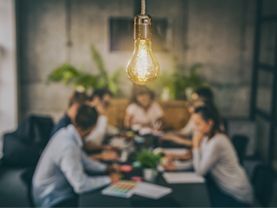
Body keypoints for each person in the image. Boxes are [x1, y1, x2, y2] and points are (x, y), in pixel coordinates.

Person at [32, 105, 120, 207]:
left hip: (54, 192)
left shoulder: (67, 134)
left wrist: (106, 168)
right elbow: (80, 185)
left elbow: (84, 161)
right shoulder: (68, 146)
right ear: (93, 127)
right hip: (52, 199)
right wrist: (109, 179)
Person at [191, 106, 253, 207]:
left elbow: (200, 171)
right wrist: (177, 167)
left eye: (198, 124)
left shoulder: (218, 141)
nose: (195, 128)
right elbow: (201, 161)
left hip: (237, 196)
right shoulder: (207, 138)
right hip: (225, 189)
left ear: (210, 123)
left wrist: (195, 146)